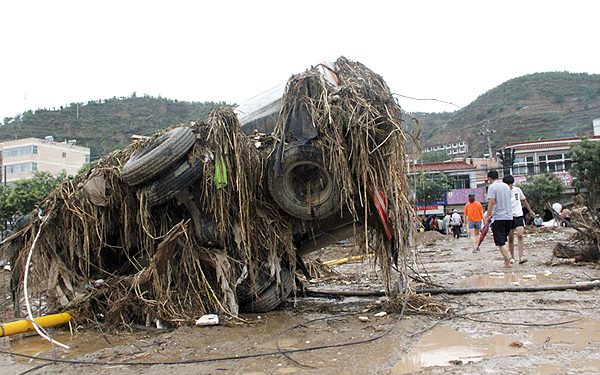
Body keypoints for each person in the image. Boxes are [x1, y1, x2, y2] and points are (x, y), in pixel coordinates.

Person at [483, 170, 513, 268]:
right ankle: (507, 261)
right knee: (504, 240)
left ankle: (508, 261)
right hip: (509, 216)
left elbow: (492, 201)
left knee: (500, 242)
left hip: (499, 217)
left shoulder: (492, 187)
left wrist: (488, 214)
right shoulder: (506, 187)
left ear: (490, 179)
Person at [502, 175, 535, 264]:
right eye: (508, 184)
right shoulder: (503, 193)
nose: (510, 186)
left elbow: (524, 200)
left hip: (518, 215)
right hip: (508, 216)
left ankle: (521, 256)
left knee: (520, 234)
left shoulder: (517, 190)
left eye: (511, 184)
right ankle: (512, 257)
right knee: (511, 238)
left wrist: (530, 211)